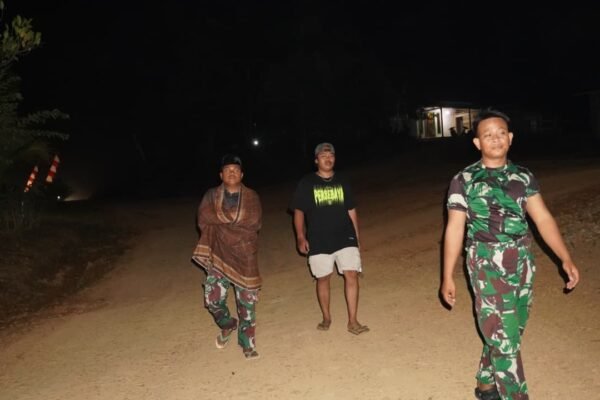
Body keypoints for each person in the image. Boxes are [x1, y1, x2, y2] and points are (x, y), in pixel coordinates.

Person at [440, 109, 580, 400]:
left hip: (522, 260)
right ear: (477, 142)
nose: (495, 139)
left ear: (511, 138)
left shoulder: (523, 177)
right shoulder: (464, 179)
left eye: (501, 133)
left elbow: (543, 218)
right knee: (504, 337)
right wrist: (447, 276)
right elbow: (454, 229)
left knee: (510, 328)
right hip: (486, 262)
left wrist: (565, 258)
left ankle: (486, 381)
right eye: (488, 134)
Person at [291, 142, 369, 335]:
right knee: (323, 278)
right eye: (323, 155)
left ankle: (353, 321)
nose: (328, 158)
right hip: (318, 238)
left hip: (345, 235)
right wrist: (300, 236)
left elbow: (351, 209)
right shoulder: (307, 183)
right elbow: (299, 211)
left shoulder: (342, 181)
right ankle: (326, 317)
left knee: (351, 274)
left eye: (331, 155)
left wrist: (356, 238)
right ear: (316, 160)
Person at [192, 154, 263, 360]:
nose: (232, 172)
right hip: (218, 254)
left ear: (242, 174)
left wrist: (223, 223)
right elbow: (203, 218)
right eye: (227, 170)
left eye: (236, 170)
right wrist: (233, 223)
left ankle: (248, 343)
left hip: (244, 254)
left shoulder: (252, 197)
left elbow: (254, 222)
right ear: (221, 175)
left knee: (247, 303)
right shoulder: (211, 196)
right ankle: (228, 324)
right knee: (212, 299)